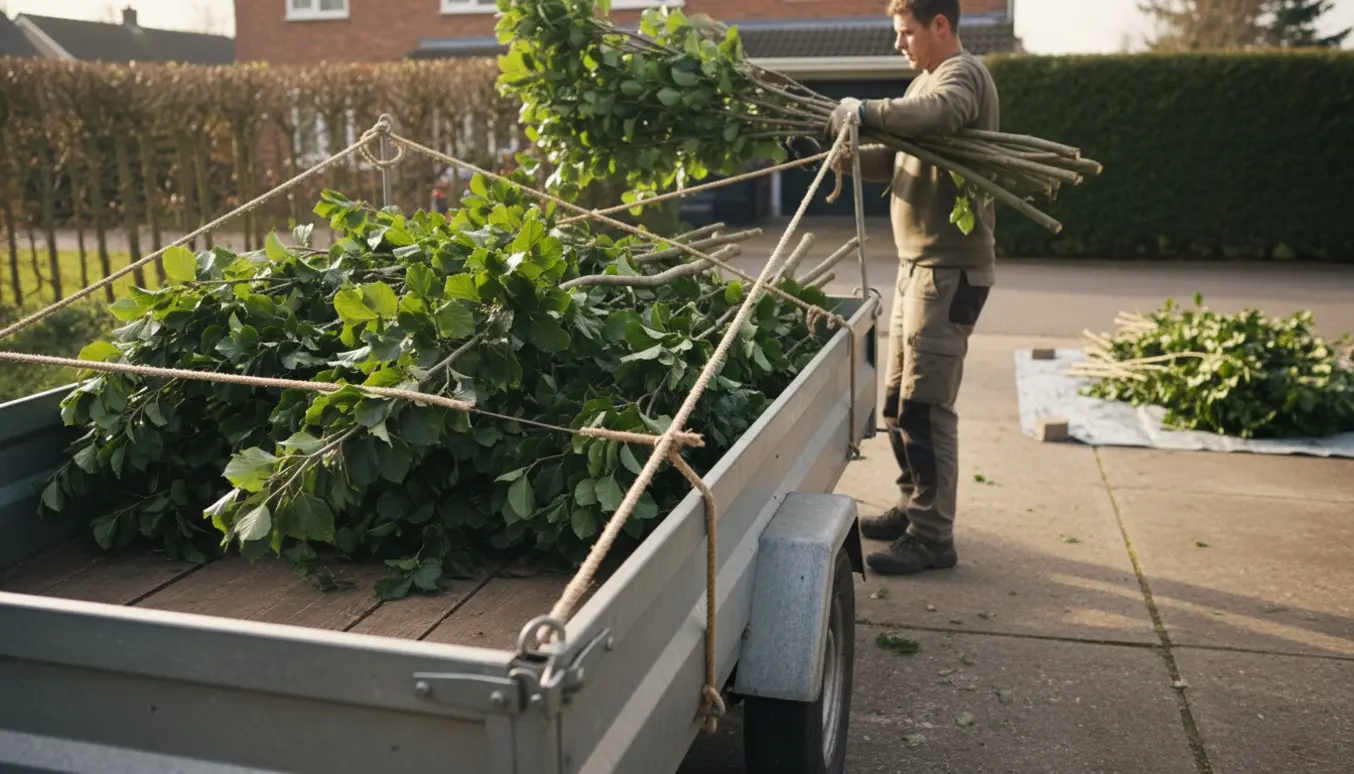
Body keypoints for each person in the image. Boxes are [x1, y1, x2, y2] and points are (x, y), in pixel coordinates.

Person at [825, 0, 999, 575]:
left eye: (905, 33)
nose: (899, 44)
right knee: (900, 405)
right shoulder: (925, 81)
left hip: (948, 273)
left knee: (926, 407)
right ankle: (910, 504)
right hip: (916, 269)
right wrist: (843, 156)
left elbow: (930, 116)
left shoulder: (959, 77)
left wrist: (865, 109)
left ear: (940, 26)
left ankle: (932, 535)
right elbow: (900, 158)